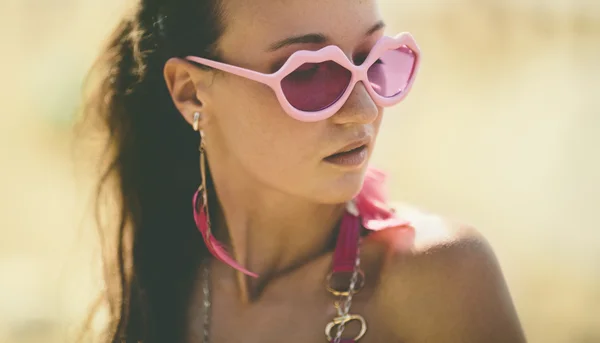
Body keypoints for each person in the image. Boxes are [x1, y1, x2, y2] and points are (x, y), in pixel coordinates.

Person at [79, 0, 527, 342]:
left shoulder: (440, 278)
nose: (364, 110)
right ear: (192, 92)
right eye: (310, 73)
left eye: (375, 58)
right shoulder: (161, 274)